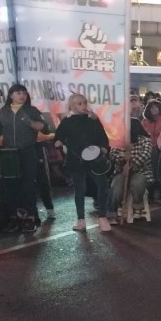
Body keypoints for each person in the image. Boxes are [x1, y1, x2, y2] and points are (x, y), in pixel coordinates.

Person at [0, 84, 49, 233]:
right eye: (18, 93)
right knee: (10, 187)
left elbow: (45, 128)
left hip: (28, 151)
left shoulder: (32, 110)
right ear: (11, 95)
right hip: (9, 154)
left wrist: (29, 122)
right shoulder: (3, 111)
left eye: (24, 93)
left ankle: (30, 218)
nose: (22, 95)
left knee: (28, 186)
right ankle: (14, 219)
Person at [54, 94, 112, 232]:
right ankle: (81, 220)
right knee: (79, 189)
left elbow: (103, 138)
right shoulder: (67, 122)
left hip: (95, 159)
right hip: (76, 160)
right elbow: (58, 137)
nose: (83, 105)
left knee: (102, 186)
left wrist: (103, 147)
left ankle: (102, 217)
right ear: (72, 106)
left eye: (84, 102)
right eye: (79, 103)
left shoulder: (93, 121)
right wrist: (58, 142)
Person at [107, 118, 155, 224]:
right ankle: (112, 212)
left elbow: (145, 155)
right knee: (116, 187)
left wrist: (131, 163)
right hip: (121, 171)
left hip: (141, 171)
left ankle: (137, 206)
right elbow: (113, 153)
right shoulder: (120, 140)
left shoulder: (145, 140)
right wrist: (124, 158)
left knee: (137, 183)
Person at [141, 99, 161, 204]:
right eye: (151, 107)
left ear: (160, 108)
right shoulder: (144, 121)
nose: (153, 109)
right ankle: (151, 194)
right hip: (148, 149)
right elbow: (142, 135)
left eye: (155, 107)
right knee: (150, 172)